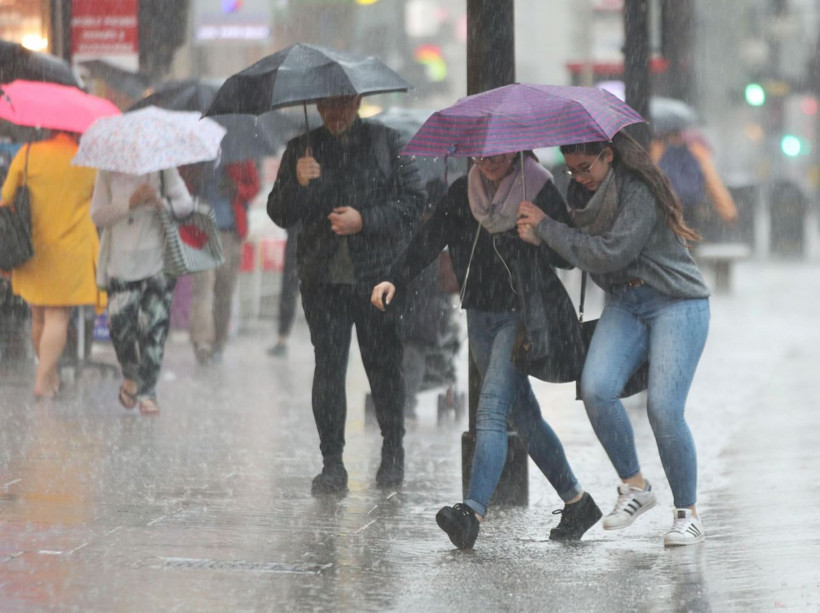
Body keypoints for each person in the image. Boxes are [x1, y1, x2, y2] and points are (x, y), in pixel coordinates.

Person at [373, 151, 601, 549]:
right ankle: (577, 502)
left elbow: (567, 257)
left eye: (496, 154)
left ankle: (471, 513)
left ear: (514, 149)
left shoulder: (537, 188)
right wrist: (394, 277)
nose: (489, 161)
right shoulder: (464, 192)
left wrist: (540, 232)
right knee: (524, 416)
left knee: (491, 409)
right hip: (479, 314)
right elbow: (429, 239)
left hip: (521, 316)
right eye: (480, 154)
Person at [517, 131, 711, 547]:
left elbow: (609, 253)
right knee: (595, 388)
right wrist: (538, 236)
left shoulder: (637, 191)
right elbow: (573, 252)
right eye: (571, 169)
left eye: (586, 167)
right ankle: (635, 486)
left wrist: (547, 226)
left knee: (663, 409)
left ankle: (687, 513)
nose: (579, 177)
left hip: (676, 301)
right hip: (626, 304)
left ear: (608, 156)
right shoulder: (579, 195)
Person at [267, 94, 426, 494]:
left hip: (377, 277)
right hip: (322, 280)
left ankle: (393, 449)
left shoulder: (386, 142)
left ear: (357, 102)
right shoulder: (301, 149)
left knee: (384, 365)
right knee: (328, 368)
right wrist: (297, 183)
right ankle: (332, 462)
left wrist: (365, 220)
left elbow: (414, 201)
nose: (334, 114)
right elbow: (279, 212)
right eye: (326, 106)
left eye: (342, 105)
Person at [0, 131, 100, 399]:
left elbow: (6, 196)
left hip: (34, 246)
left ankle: (49, 375)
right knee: (58, 315)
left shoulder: (28, 153)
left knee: (39, 315)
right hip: (71, 248)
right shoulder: (86, 159)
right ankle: (43, 381)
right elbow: (97, 201)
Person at [90, 167, 194, 415]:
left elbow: (186, 205)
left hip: (157, 264)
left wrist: (161, 203)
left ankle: (148, 391)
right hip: (120, 264)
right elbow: (97, 216)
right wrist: (129, 203)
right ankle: (130, 376)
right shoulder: (107, 171)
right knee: (120, 326)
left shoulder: (163, 169)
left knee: (153, 329)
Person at [181, 159, 260, 365]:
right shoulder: (196, 156)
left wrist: (236, 189)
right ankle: (202, 342)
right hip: (201, 231)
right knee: (202, 290)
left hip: (229, 233)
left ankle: (218, 342)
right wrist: (194, 179)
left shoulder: (239, 156)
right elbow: (181, 189)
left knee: (224, 293)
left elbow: (254, 187)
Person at [650, 129, 737, 235]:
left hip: (667, 209)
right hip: (691, 208)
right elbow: (713, 181)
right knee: (690, 239)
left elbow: (650, 177)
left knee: (668, 240)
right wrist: (728, 212)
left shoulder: (656, 146)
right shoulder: (695, 146)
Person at [267, 224, 300, 358]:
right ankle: (282, 339)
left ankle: (282, 339)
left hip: (300, 240)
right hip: (304, 241)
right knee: (289, 292)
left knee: (289, 292)